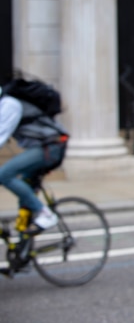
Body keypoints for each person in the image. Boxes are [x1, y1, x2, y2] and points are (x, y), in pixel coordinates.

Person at [0, 85, 69, 232]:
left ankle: (46, 214)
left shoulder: (9, 104)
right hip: (43, 147)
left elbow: (1, 135)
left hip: (51, 146)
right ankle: (24, 247)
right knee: (24, 191)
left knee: (4, 174)